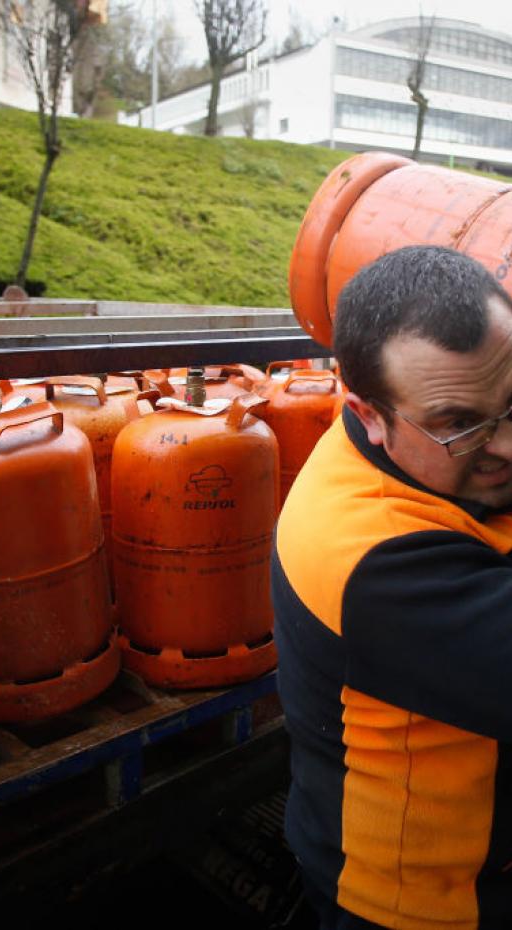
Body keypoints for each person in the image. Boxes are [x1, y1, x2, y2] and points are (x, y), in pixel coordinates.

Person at [273, 245, 512, 930]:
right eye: (461, 425)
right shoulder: (376, 560)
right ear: (368, 414)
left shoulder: (418, 440)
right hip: (428, 904)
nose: (506, 445)